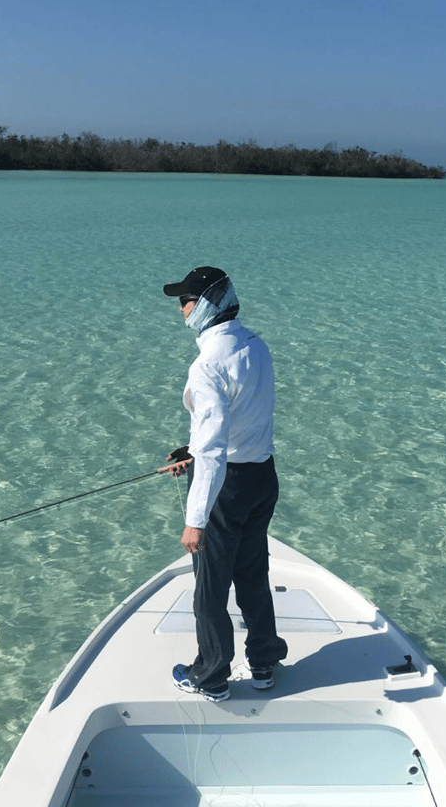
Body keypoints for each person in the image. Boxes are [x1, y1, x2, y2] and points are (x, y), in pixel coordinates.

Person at [162, 266, 288, 702]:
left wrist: (195, 519)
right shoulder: (257, 345)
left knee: (211, 587)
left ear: (209, 304)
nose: (180, 310)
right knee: (253, 574)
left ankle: (210, 676)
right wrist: (190, 451)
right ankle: (264, 662)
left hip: (225, 488)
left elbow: (214, 449)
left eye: (187, 301)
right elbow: (243, 419)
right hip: (262, 478)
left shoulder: (207, 365)